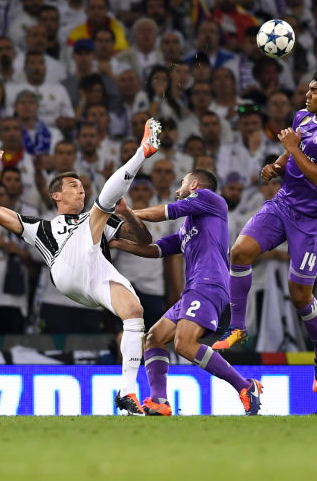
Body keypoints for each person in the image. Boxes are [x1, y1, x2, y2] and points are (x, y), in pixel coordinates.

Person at [0, 118, 163, 415]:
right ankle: (143, 151)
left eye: (81, 187)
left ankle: (127, 392)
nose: (80, 190)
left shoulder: (99, 222)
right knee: (100, 209)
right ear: (56, 195)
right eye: (73, 186)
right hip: (65, 268)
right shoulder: (40, 228)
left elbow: (144, 240)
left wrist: (128, 213)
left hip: (95, 274)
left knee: (134, 311)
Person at [213, 69, 317, 393]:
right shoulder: (302, 117)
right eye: (309, 89)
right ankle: (237, 327)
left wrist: (292, 148)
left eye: (315, 91)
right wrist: (277, 166)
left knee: (299, 294)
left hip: (311, 220)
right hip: (283, 204)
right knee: (239, 253)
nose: (308, 95)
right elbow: (290, 154)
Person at [110, 169, 263, 416]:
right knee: (153, 338)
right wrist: (118, 243)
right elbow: (156, 249)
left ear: (194, 185)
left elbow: (167, 211)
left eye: (182, 183)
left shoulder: (211, 199)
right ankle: (159, 401)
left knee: (184, 344)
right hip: (193, 289)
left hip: (209, 283)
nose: (177, 188)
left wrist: (128, 213)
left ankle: (245, 386)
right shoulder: (187, 228)